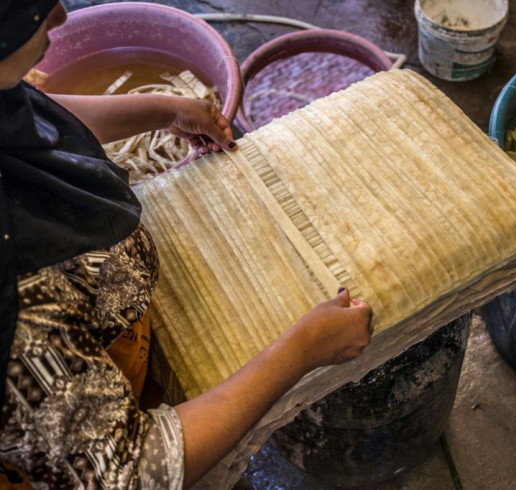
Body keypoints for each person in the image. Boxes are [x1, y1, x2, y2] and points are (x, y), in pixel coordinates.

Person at [0, 1, 374, 488]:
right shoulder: (22, 320)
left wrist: (161, 108)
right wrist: (301, 350)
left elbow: (37, 118)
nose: (62, 15)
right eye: (31, 11)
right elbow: (130, 472)